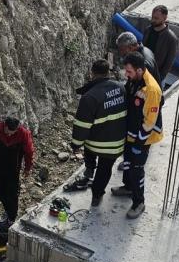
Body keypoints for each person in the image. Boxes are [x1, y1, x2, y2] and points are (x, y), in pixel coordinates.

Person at [65, 59, 127, 207]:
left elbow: (82, 125)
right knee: (105, 169)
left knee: (89, 148)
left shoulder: (90, 97)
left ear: (92, 73)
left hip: (95, 144)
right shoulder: (121, 88)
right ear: (108, 72)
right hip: (117, 144)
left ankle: (89, 172)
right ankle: (97, 196)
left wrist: (76, 145)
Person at [111, 52, 163, 219]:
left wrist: (139, 145)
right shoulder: (134, 80)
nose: (126, 74)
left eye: (129, 71)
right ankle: (128, 187)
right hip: (131, 131)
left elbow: (149, 122)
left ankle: (139, 202)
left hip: (143, 137)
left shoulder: (151, 90)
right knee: (127, 162)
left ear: (140, 70)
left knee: (136, 169)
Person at [0, 116, 35, 222]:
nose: (9, 135)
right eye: (8, 132)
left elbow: (29, 152)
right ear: (4, 125)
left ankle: (11, 216)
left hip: (13, 167)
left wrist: (27, 168)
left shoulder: (24, 133)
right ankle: (7, 209)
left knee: (12, 192)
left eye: (13, 133)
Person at [143, 5, 178, 88]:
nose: (153, 20)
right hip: (143, 72)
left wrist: (160, 77)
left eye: (156, 18)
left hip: (157, 77)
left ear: (164, 18)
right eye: (152, 17)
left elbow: (169, 62)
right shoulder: (148, 30)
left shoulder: (171, 38)